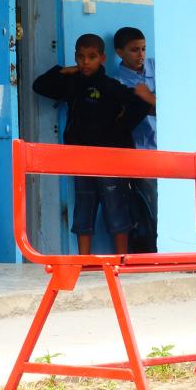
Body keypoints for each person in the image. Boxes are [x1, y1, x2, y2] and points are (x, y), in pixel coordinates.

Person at [33, 34, 153, 255]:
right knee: (83, 211)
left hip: (110, 161)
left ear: (103, 58)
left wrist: (120, 128)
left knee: (116, 209)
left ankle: (121, 259)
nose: (85, 62)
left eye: (91, 57)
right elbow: (39, 86)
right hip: (81, 159)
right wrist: (63, 70)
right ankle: (84, 261)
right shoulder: (73, 83)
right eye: (80, 57)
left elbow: (141, 105)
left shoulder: (110, 86)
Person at [112, 26, 158, 252]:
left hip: (167, 149)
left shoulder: (157, 66)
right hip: (141, 152)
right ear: (119, 52)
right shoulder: (118, 81)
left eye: (143, 49)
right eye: (134, 50)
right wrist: (150, 102)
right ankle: (152, 252)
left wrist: (148, 98)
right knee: (149, 207)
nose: (140, 55)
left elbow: (170, 106)